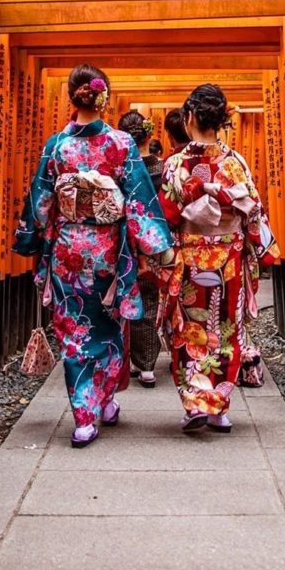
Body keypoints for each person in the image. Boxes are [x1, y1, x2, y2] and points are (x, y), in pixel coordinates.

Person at [14, 65, 173, 447]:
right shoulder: (120, 144)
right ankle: (105, 400)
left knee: (74, 331)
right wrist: (158, 247)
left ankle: (84, 416)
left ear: (73, 97)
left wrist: (30, 238)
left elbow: (40, 201)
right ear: (103, 97)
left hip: (68, 251)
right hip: (107, 253)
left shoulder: (56, 146)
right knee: (108, 325)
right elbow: (137, 201)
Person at [158, 83, 280, 433]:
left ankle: (196, 401)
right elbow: (252, 210)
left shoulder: (176, 164)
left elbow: (166, 216)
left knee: (188, 328)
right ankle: (218, 408)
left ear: (190, 116)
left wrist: (158, 258)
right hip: (229, 258)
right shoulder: (235, 162)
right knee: (226, 329)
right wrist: (263, 247)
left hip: (190, 256)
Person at [118, 110, 164, 388]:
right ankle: (146, 364)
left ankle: (127, 360)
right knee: (148, 300)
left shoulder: (120, 167)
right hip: (155, 240)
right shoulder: (162, 168)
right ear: (148, 135)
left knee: (122, 299)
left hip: (124, 240)